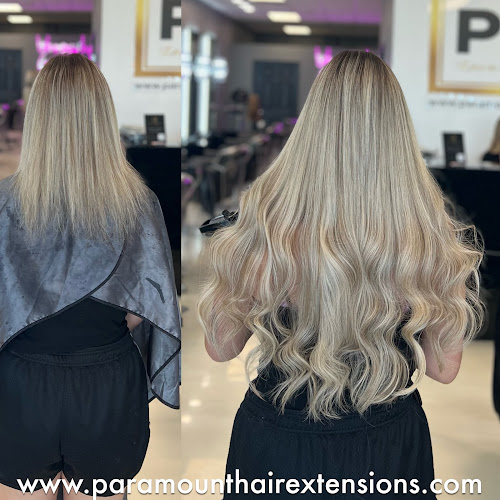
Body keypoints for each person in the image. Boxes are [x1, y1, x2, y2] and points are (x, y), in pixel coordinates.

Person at [198, 51, 483, 499]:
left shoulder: (264, 232)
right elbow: (444, 369)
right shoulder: (428, 239)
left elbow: (220, 348)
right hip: (384, 446)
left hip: (277, 442)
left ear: (311, 128)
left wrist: (243, 251)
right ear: (397, 135)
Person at [0, 54, 181, 499]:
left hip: (21, 388)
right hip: (105, 387)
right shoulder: (138, 204)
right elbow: (145, 308)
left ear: (37, 120)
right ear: (103, 118)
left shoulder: (4, 204)